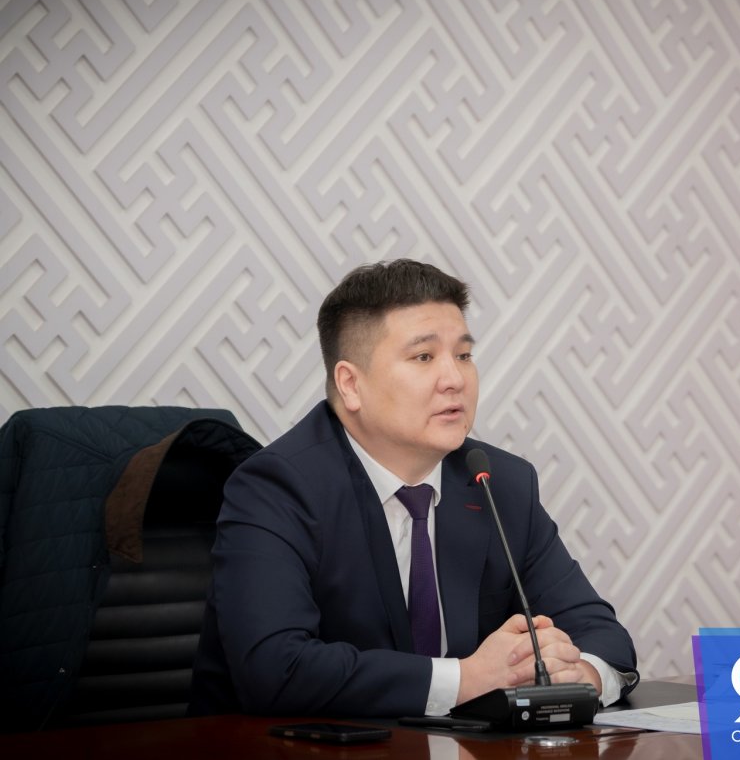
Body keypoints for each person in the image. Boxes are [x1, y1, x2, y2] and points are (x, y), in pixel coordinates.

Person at [189, 259, 638, 717]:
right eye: (424, 357)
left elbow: (603, 634)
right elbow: (276, 670)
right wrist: (470, 677)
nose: (455, 379)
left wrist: (581, 676)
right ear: (351, 384)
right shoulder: (276, 488)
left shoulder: (497, 483)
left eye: (463, 356)